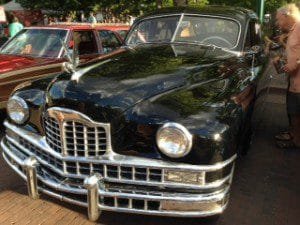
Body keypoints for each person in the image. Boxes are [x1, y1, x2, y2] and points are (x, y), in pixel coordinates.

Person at [275, 4, 300, 149]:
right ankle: (294, 136)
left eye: (279, 20)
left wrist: (295, 63)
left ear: (287, 15)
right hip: (294, 81)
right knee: (293, 112)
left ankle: (296, 142)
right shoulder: (294, 29)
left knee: (296, 113)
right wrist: (283, 58)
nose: (279, 23)